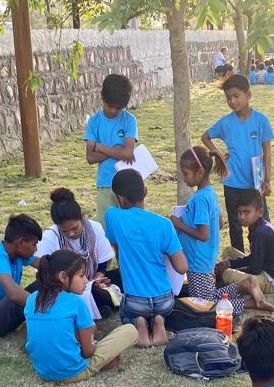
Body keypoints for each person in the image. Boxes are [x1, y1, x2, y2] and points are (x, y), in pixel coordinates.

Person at [172, 147, 273, 315]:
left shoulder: (200, 199)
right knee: (207, 298)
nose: (184, 178)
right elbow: (219, 222)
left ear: (200, 173)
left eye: (186, 173)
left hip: (198, 261)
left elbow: (203, 235)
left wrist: (179, 224)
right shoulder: (210, 193)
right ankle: (245, 285)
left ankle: (247, 303)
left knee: (204, 306)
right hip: (206, 257)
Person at [23, 250, 137, 382]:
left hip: (42, 371)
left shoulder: (31, 299)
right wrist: (91, 336)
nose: (86, 281)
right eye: (81, 275)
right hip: (73, 372)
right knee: (130, 330)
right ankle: (103, 362)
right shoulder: (75, 302)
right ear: (63, 276)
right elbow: (88, 352)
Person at [104, 168, 187, 348]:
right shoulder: (164, 224)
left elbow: (116, 247)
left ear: (120, 198)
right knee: (162, 310)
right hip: (164, 300)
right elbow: (182, 267)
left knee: (126, 312)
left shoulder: (113, 216)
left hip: (135, 302)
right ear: (145, 191)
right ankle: (159, 320)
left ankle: (139, 323)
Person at [202, 74, 274, 253]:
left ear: (248, 95)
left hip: (255, 183)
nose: (232, 101)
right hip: (232, 183)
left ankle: (263, 257)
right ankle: (238, 261)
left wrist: (267, 180)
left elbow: (267, 152)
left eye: (236, 96)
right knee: (235, 224)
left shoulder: (261, 121)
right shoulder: (226, 123)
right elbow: (206, 137)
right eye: (228, 98)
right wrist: (219, 155)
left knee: (261, 222)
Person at [33, 187, 119, 318]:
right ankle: (96, 306)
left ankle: (96, 304)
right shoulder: (50, 237)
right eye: (65, 231)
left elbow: (103, 264)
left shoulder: (95, 228)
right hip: (64, 289)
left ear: (81, 217)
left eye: (75, 228)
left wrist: (94, 281)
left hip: (91, 282)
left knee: (122, 278)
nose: (71, 234)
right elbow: (45, 273)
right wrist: (72, 286)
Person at [84, 73, 137, 226]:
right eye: (109, 106)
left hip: (128, 184)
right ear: (102, 97)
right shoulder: (94, 122)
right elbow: (90, 157)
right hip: (105, 183)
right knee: (106, 226)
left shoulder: (129, 120)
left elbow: (127, 153)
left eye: (118, 108)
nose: (113, 111)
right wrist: (114, 150)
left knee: (129, 224)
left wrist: (100, 147)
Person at [215, 189, 274, 296]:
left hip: (271, 280)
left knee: (227, 274)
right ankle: (229, 273)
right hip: (262, 268)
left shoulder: (260, 233)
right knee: (229, 251)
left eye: (246, 212)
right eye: (239, 212)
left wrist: (233, 269)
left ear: (260, 212)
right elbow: (253, 258)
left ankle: (226, 280)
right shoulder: (256, 226)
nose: (241, 217)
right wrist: (229, 263)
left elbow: (255, 269)